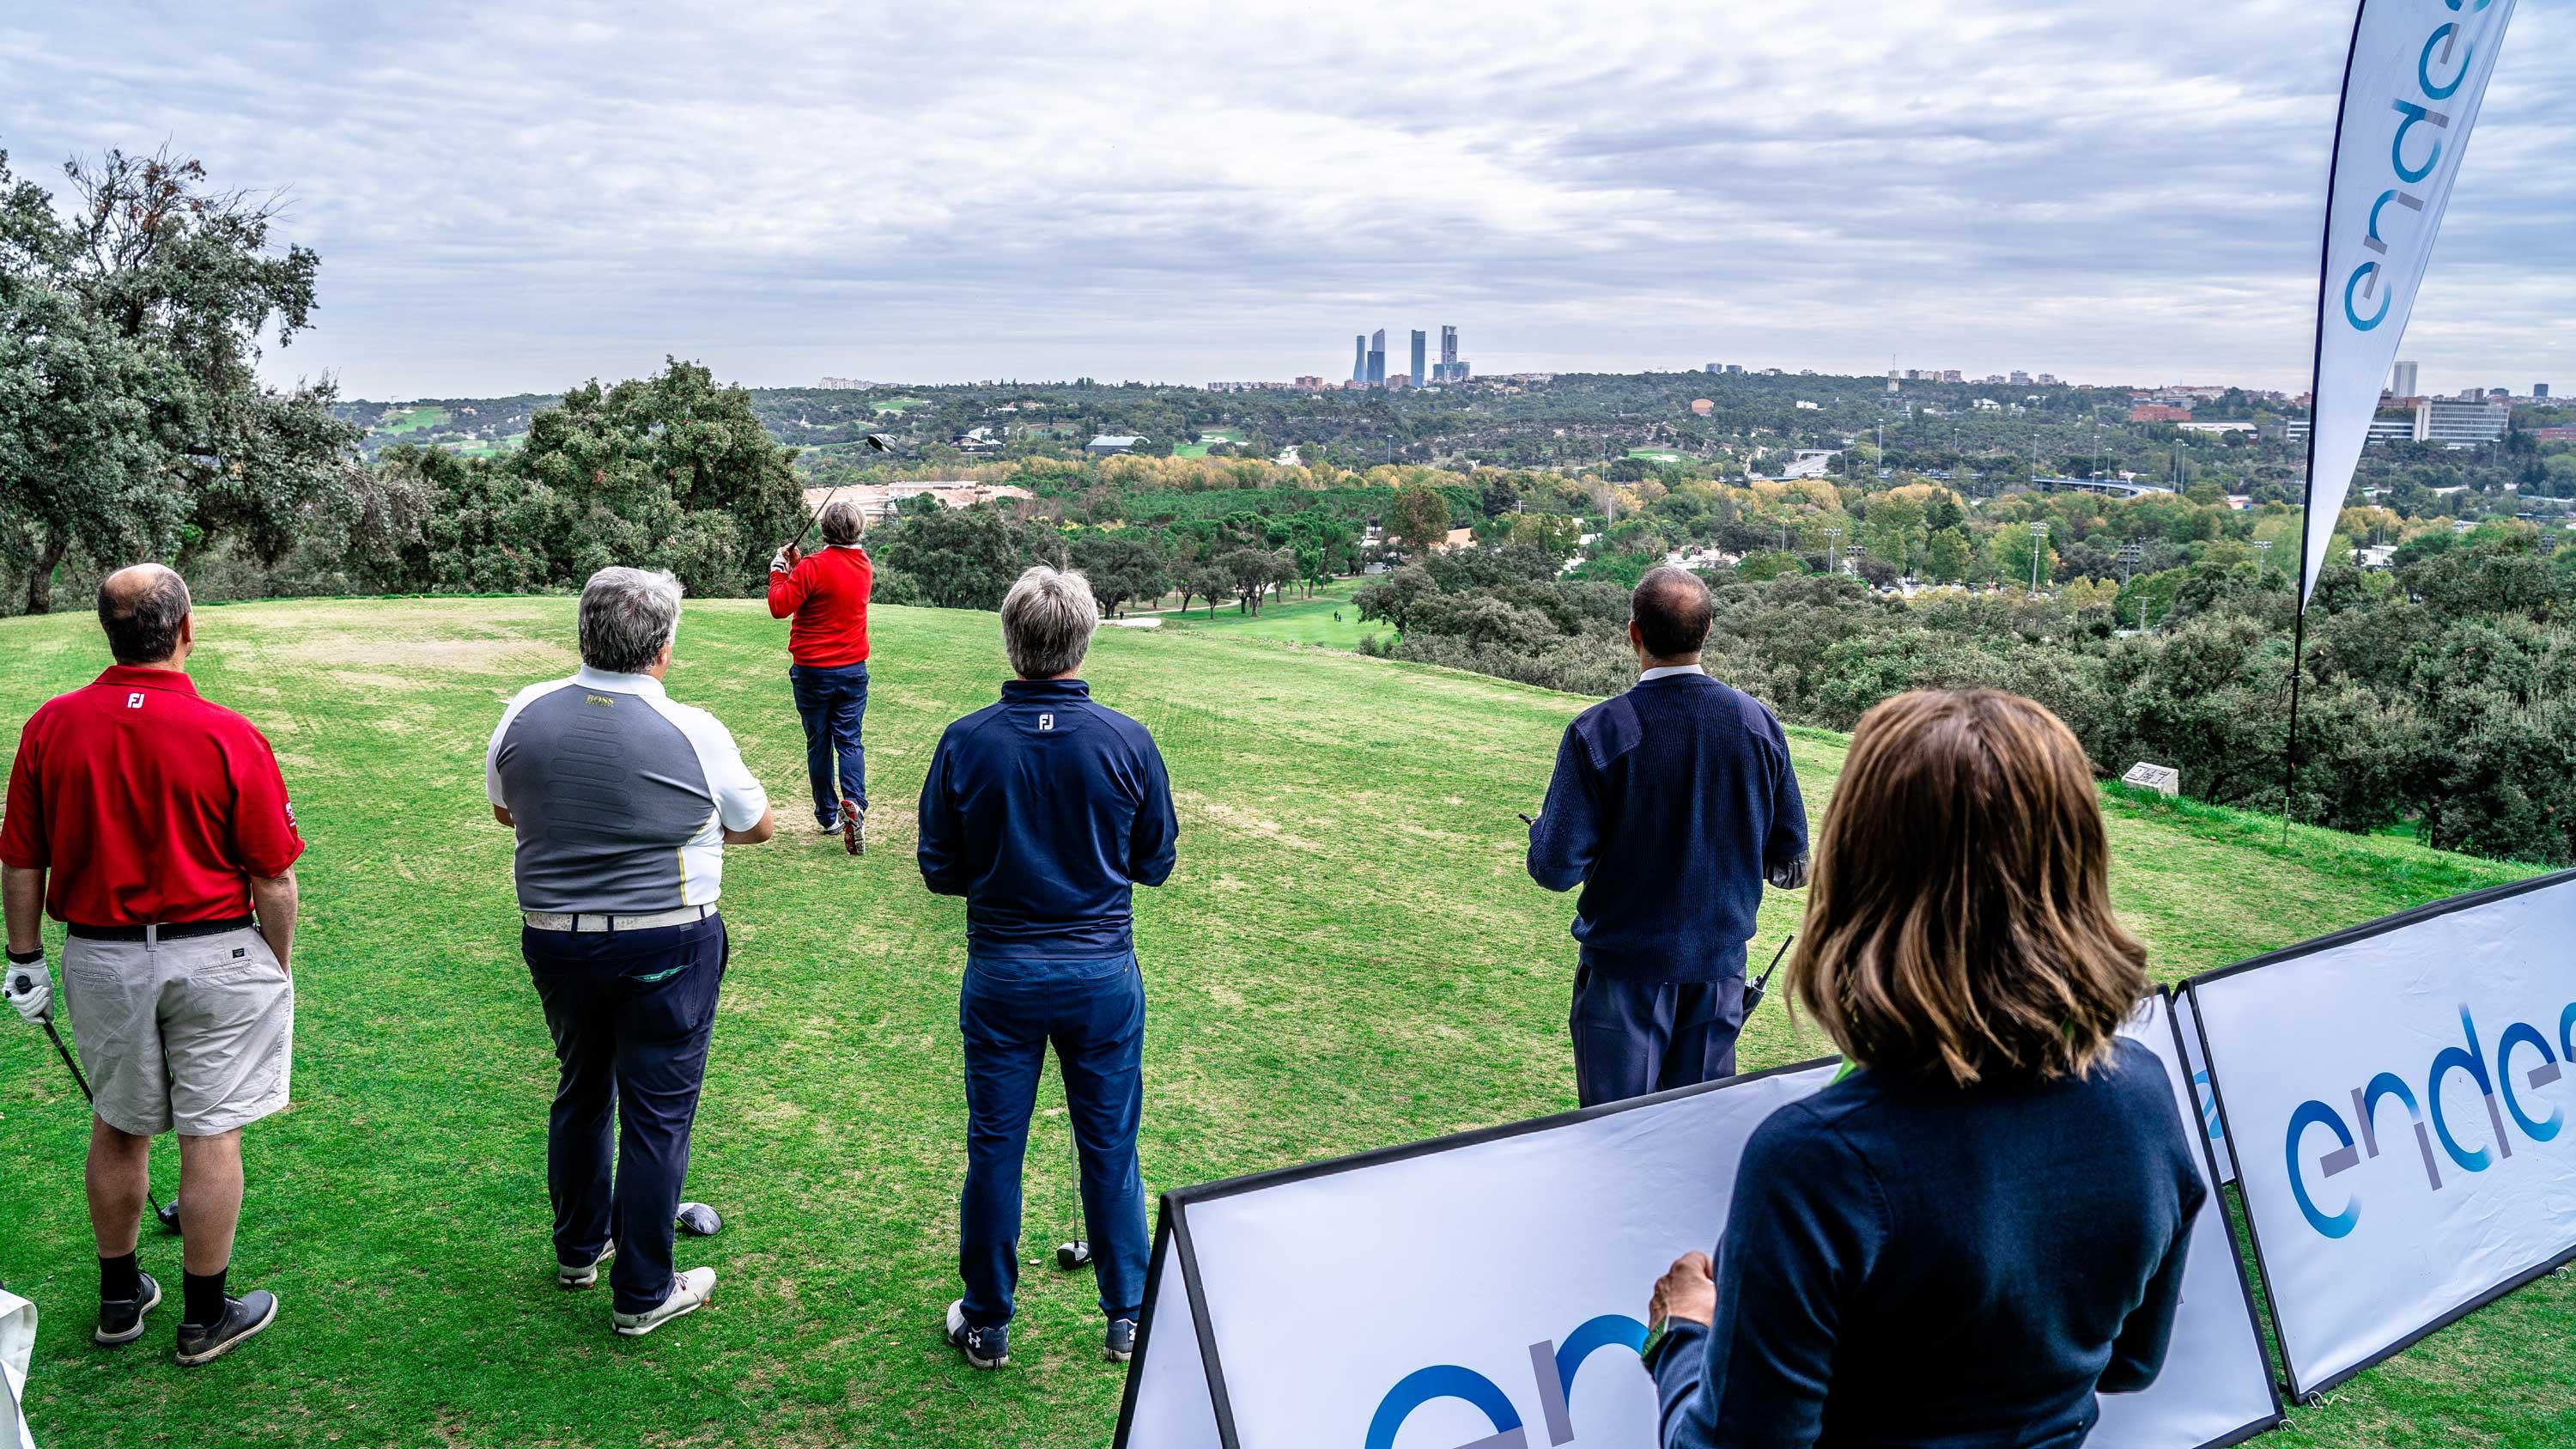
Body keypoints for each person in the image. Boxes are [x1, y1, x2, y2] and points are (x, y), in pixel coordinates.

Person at [1641, 689, 2206, 1448]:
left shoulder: (1816, 1160)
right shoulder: (2141, 1091)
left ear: (1858, 876)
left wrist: (1682, 1336)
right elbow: (2130, 1361)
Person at [1, 564, 300, 1366]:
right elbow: (273, 873)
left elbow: (21, 860)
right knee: (213, 1131)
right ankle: (205, 1317)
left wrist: (23, 957)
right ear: (186, 628)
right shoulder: (229, 732)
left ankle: (118, 1297)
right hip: (218, 952)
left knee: (118, 1123)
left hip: (101, 958)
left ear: (107, 630)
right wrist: (276, 962)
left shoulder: (51, 726)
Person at [486, 567, 775, 1337]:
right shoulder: (695, 730)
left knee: (583, 1087)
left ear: (583, 631)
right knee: (658, 1113)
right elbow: (758, 825)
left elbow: (504, 807)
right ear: (664, 649)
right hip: (668, 935)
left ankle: (582, 1248)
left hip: (557, 937)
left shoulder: (523, 711)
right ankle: (644, 1289)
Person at [918, 566, 1177, 1371]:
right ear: (1084, 637)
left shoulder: (968, 739)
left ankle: (989, 1319)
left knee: (995, 1145)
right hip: (1100, 972)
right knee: (1111, 1144)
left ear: (1012, 638)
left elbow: (939, 866)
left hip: (1003, 971)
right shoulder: (1126, 739)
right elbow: (1155, 861)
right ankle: (1128, 1314)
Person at [1525, 565, 1808, 1106]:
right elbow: (1791, 865)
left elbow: (1556, 868)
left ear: (1634, 633)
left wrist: (1542, 837)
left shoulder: (1601, 730)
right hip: (1720, 974)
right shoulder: (1756, 725)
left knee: (1615, 1134)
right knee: (1695, 1138)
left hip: (1624, 980)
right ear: (1706, 632)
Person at [769, 500, 875, 855]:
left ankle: (828, 816)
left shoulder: (812, 567)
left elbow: (779, 605)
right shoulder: (863, 566)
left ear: (825, 530)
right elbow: (827, 585)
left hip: (812, 672)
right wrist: (798, 568)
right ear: (857, 530)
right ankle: (855, 804)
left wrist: (779, 570)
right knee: (849, 740)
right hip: (852, 671)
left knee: (819, 742)